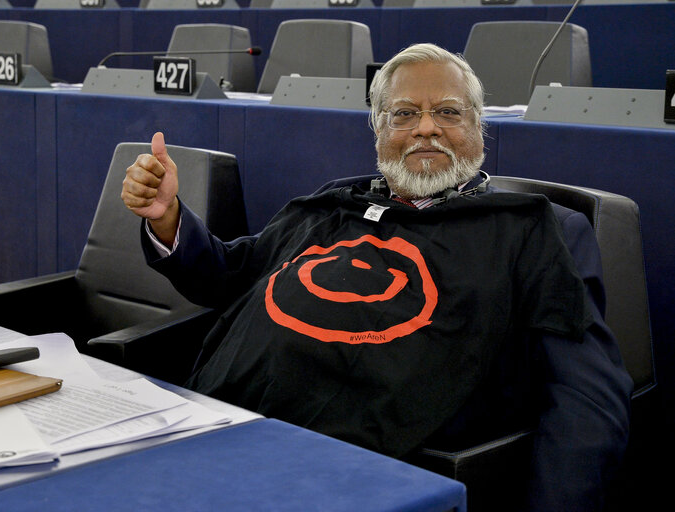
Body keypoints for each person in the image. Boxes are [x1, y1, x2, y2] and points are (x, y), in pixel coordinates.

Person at [121, 43, 632, 511]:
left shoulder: (534, 232)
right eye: (405, 114)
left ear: (480, 127)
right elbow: (229, 276)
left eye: (448, 113)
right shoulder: (331, 205)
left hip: (353, 476)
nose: (426, 128)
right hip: (213, 435)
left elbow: (585, 398)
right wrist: (168, 219)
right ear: (378, 129)